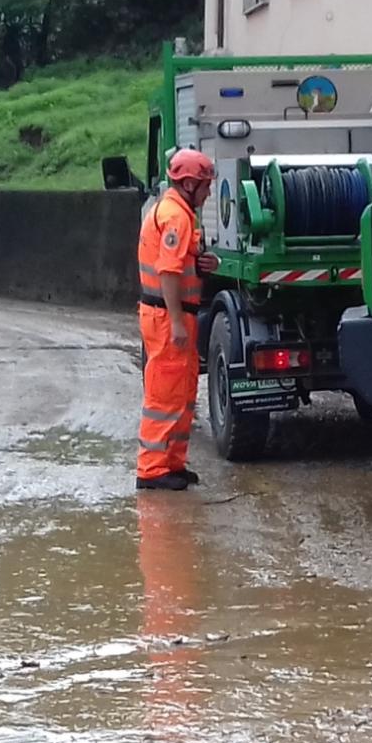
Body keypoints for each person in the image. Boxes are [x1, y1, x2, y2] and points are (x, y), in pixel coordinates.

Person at [134, 149, 218, 491]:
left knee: (182, 393)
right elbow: (167, 272)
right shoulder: (176, 217)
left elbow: (176, 265)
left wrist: (198, 265)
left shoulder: (176, 213)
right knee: (165, 395)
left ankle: (172, 464)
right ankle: (152, 470)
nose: (209, 193)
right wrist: (178, 322)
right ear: (188, 184)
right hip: (169, 317)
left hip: (172, 314)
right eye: (205, 186)